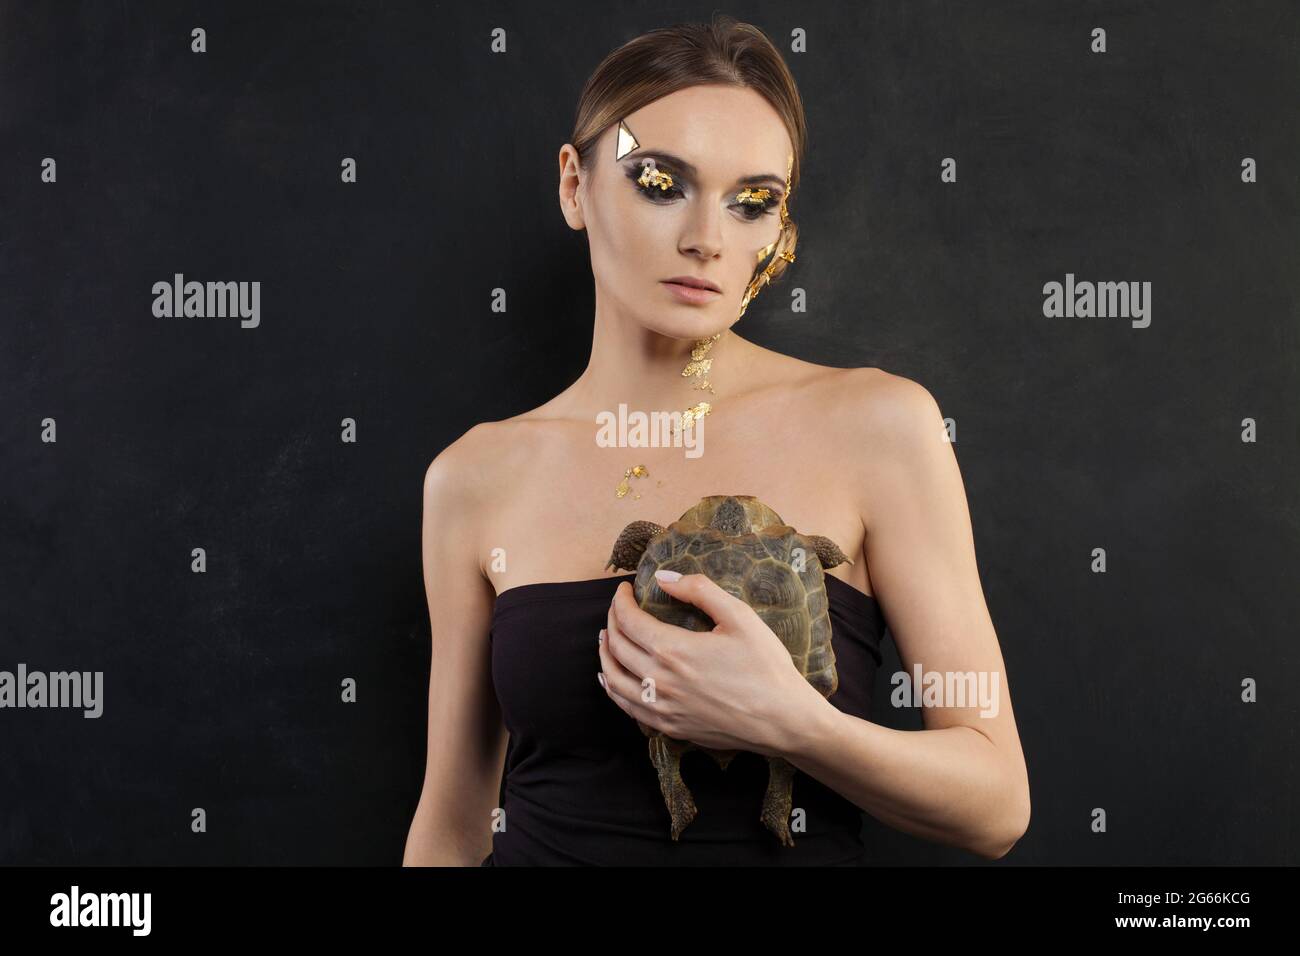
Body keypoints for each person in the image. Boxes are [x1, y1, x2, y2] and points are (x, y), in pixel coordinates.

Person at [403, 14, 1030, 866]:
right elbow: (451, 827)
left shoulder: (879, 427)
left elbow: (996, 803)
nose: (708, 237)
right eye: (660, 182)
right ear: (574, 187)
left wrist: (794, 724)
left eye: (753, 201)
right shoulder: (475, 476)